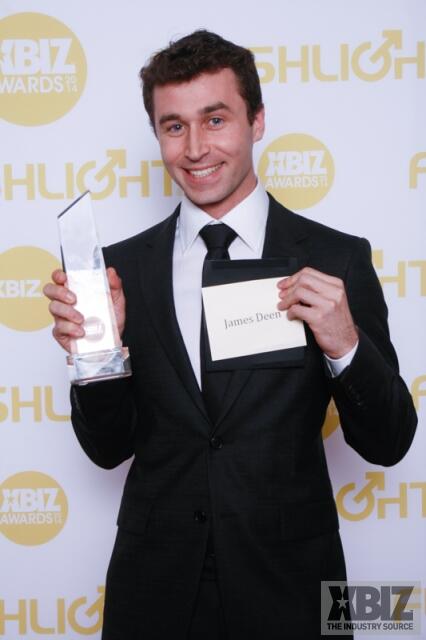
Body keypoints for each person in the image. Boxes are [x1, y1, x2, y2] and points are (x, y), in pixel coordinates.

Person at [44, 30, 417, 640]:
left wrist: (346, 345)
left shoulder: (335, 259)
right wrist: (98, 354)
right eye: (174, 126)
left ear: (257, 121)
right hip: (153, 594)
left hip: (293, 590)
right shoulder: (120, 271)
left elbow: (389, 442)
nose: (195, 148)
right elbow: (108, 449)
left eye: (215, 120)